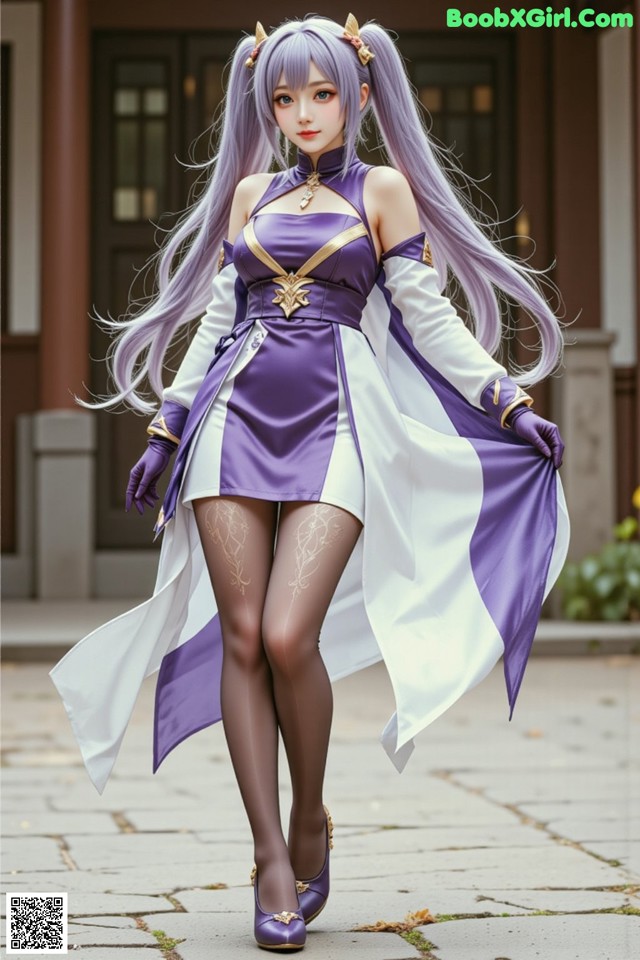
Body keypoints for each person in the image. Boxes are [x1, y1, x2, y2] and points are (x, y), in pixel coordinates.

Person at [50, 14, 569, 952]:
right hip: (232, 421)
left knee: (291, 634)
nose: (303, 112)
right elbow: (216, 320)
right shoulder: (251, 192)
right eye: (285, 98)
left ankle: (314, 814)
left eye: (321, 94)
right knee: (243, 636)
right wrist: (168, 425)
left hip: (335, 422)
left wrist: (505, 400)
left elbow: (427, 315)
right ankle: (270, 860)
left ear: (361, 96)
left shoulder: (384, 191)